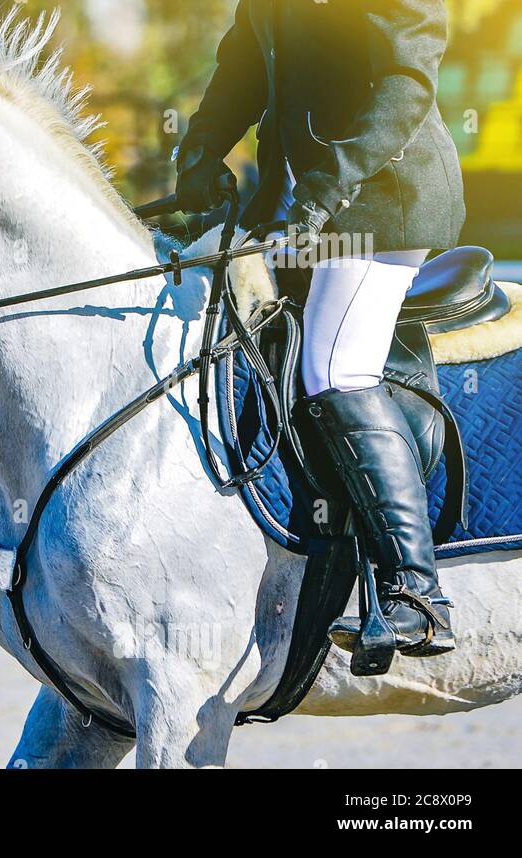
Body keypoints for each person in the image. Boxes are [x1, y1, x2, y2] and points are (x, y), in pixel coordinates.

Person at [176, 0, 465, 658]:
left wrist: (325, 191)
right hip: (292, 208)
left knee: (336, 369)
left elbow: (405, 84)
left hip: (382, 202)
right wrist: (197, 149)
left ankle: (419, 596)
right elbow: (244, 67)